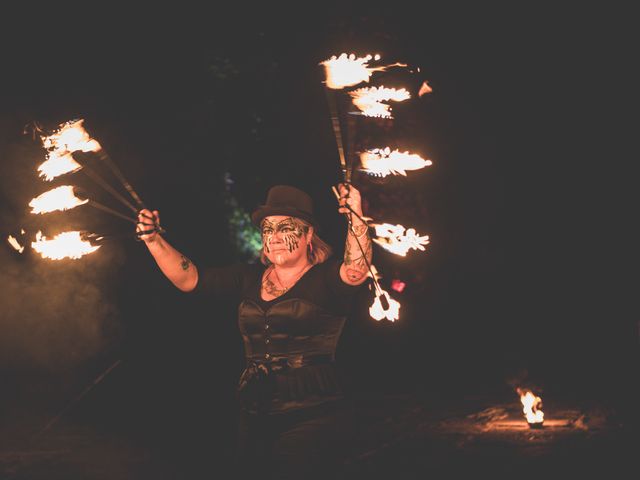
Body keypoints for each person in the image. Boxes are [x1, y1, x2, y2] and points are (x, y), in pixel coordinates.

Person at [137, 183, 372, 479]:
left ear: (309, 234)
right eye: (267, 229)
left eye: (285, 228)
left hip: (315, 411)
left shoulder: (327, 279)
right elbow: (189, 279)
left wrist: (356, 216)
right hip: (256, 408)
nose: (273, 238)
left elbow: (357, 269)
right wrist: (153, 239)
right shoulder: (246, 277)